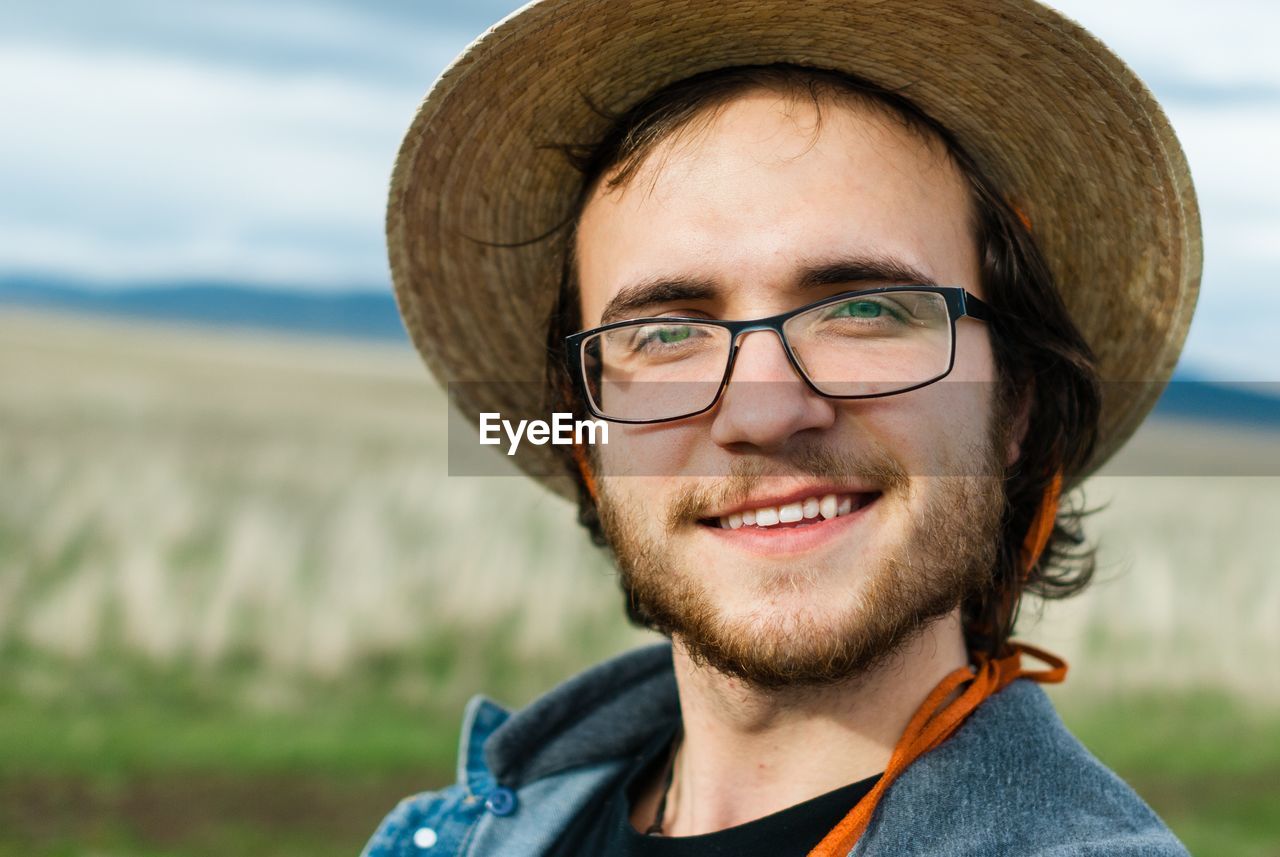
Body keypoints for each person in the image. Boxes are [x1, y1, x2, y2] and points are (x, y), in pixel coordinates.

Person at [363, 1, 1201, 854]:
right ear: (587, 436)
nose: (764, 412)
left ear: (1016, 401)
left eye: (864, 309)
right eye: (663, 333)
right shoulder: (458, 832)